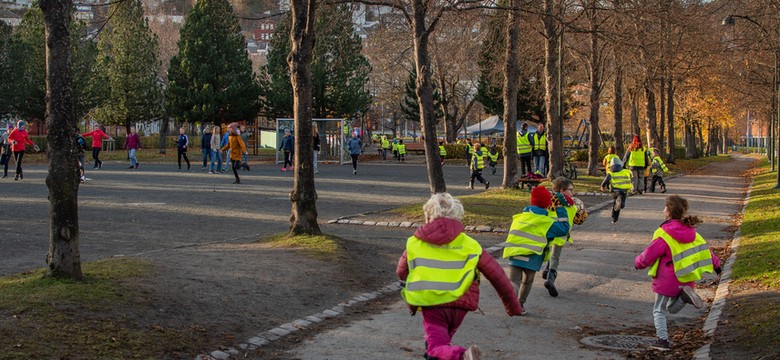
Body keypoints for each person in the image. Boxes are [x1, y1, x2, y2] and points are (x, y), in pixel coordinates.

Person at [397, 193, 523, 360]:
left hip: (432, 303)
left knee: (434, 349)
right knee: (440, 344)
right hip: (461, 304)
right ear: (457, 216)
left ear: (427, 215)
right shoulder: (470, 244)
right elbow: (497, 275)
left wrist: (414, 279)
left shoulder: (414, 242)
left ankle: (463, 355)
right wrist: (513, 307)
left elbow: (401, 271)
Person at [634, 195, 722, 351]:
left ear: (668, 211)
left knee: (659, 310)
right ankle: (684, 296)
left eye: (664, 207)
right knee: (671, 308)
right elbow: (706, 251)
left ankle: (663, 341)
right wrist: (717, 267)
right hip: (686, 278)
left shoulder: (664, 233)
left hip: (667, 279)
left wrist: (638, 263)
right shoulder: (692, 232)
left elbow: (649, 254)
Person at [503, 186, 571, 313]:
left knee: (514, 281)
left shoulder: (519, 217)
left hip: (515, 253)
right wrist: (560, 208)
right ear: (547, 204)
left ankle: (510, 293)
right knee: (527, 281)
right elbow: (564, 228)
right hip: (532, 257)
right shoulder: (545, 222)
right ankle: (520, 304)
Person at [542, 177, 588, 297]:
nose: (573, 193)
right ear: (562, 190)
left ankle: (546, 269)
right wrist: (583, 211)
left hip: (546, 232)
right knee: (555, 257)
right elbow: (579, 220)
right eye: (571, 190)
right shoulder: (571, 205)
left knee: (547, 253)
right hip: (560, 235)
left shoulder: (547, 200)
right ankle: (550, 279)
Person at [601, 157, 632, 223]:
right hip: (624, 190)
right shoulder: (626, 171)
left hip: (614, 191)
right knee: (621, 203)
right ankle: (622, 203)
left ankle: (614, 218)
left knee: (615, 203)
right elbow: (632, 177)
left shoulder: (611, 173)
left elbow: (606, 180)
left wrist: (602, 186)